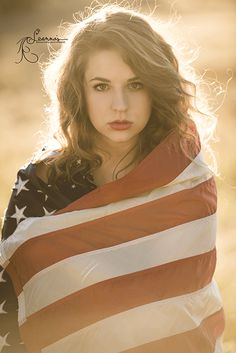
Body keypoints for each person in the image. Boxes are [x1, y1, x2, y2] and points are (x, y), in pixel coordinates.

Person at [0, 3, 225, 353]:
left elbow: (187, 305)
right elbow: (11, 302)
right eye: (101, 86)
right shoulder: (43, 182)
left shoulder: (185, 176)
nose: (119, 104)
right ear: (79, 91)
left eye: (135, 84)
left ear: (156, 88)